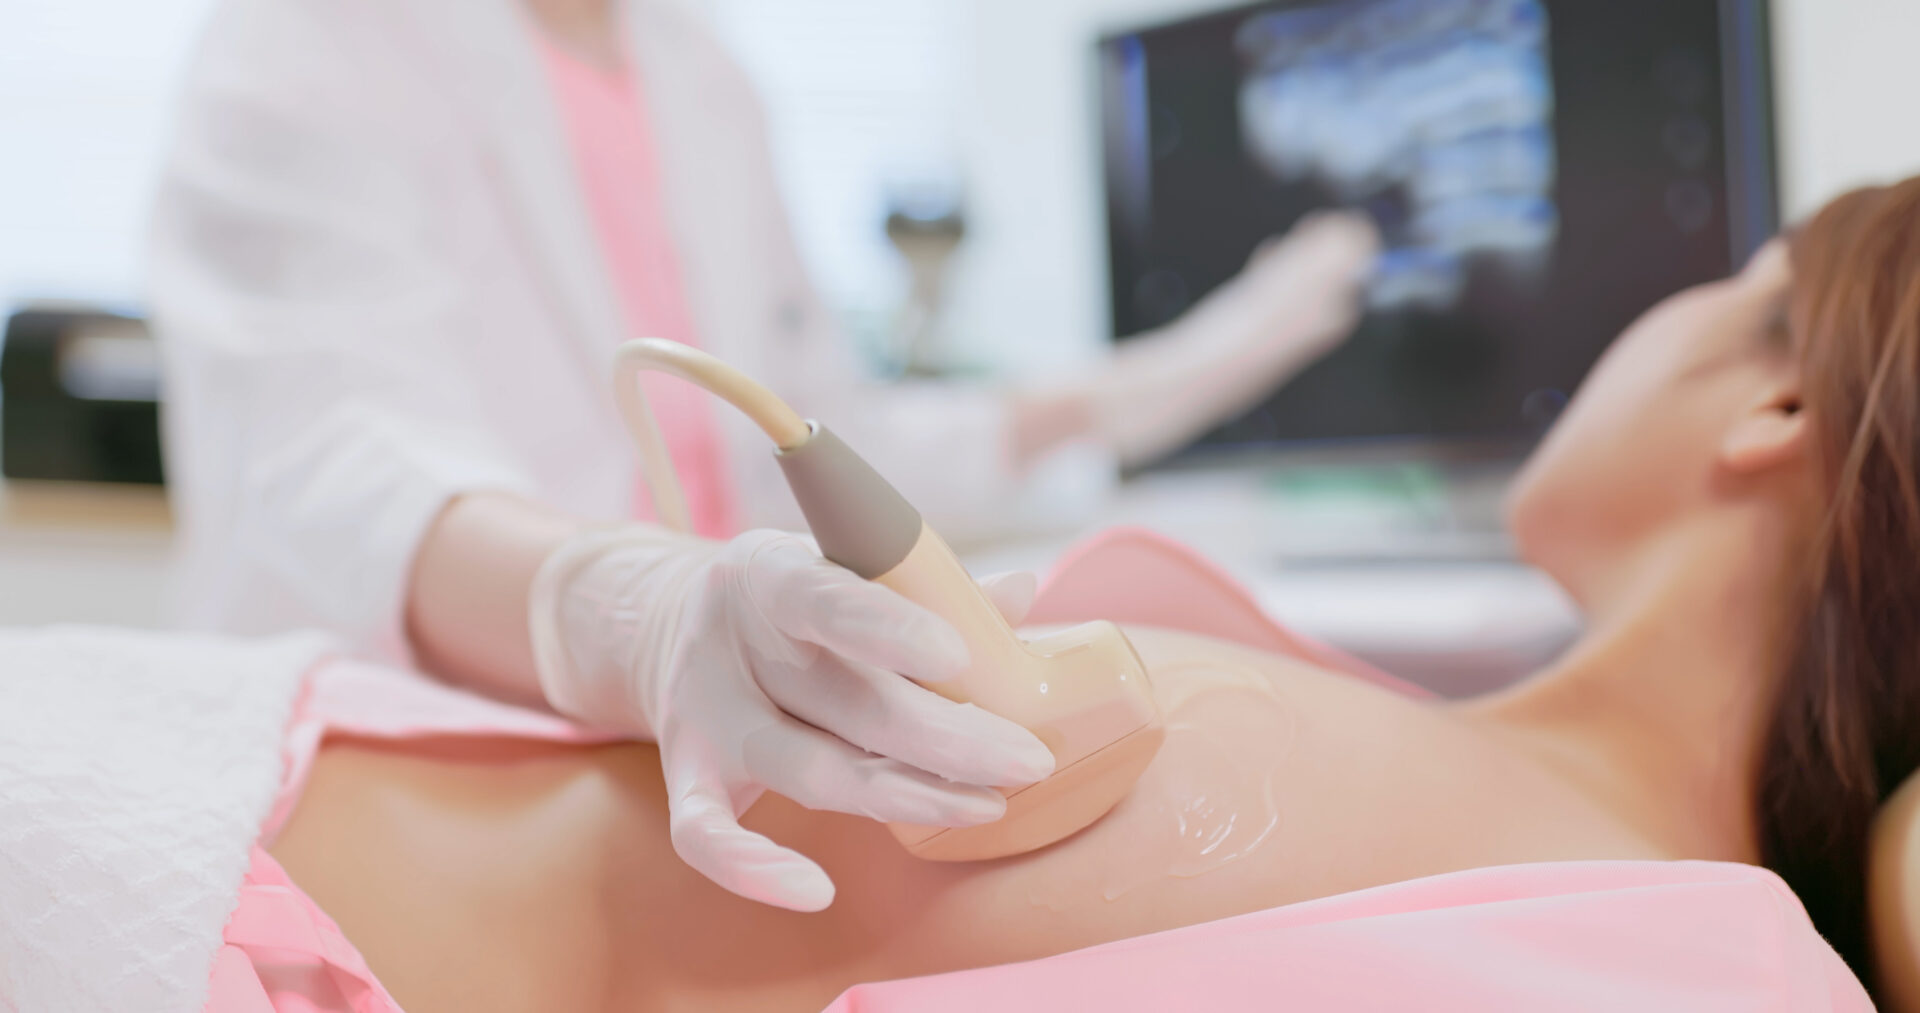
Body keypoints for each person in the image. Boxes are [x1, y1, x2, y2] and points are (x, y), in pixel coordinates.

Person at [239, 178, 1920, 1009]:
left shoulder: (1699, 963)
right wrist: (616, 611)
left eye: (1743, 281)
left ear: (1778, 404)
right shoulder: (1426, 736)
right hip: (218, 759)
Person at [147, 0, 1375, 908]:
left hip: (700, 748)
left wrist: (1154, 379)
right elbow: (343, 472)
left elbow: (810, 430)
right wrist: (634, 613)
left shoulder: (699, 74)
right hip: (437, 748)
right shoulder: (314, 37)